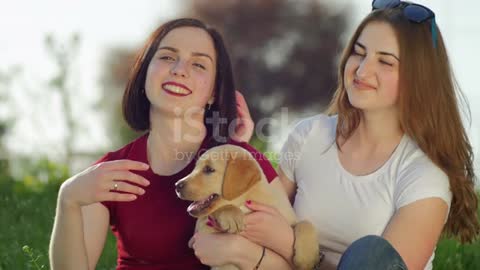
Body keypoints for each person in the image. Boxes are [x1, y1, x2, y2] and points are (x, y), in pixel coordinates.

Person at [193, 1, 479, 270]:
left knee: (370, 253)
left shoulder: (423, 174)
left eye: (386, 61)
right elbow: (257, 208)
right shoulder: (309, 135)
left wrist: (286, 245)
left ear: (419, 78)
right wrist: (241, 150)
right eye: (359, 51)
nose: (363, 69)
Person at [49, 18, 294, 270]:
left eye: (198, 64)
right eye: (167, 57)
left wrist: (242, 253)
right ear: (145, 72)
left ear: (213, 92)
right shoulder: (113, 171)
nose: (179, 69)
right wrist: (68, 199)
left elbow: (292, 261)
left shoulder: (242, 161)